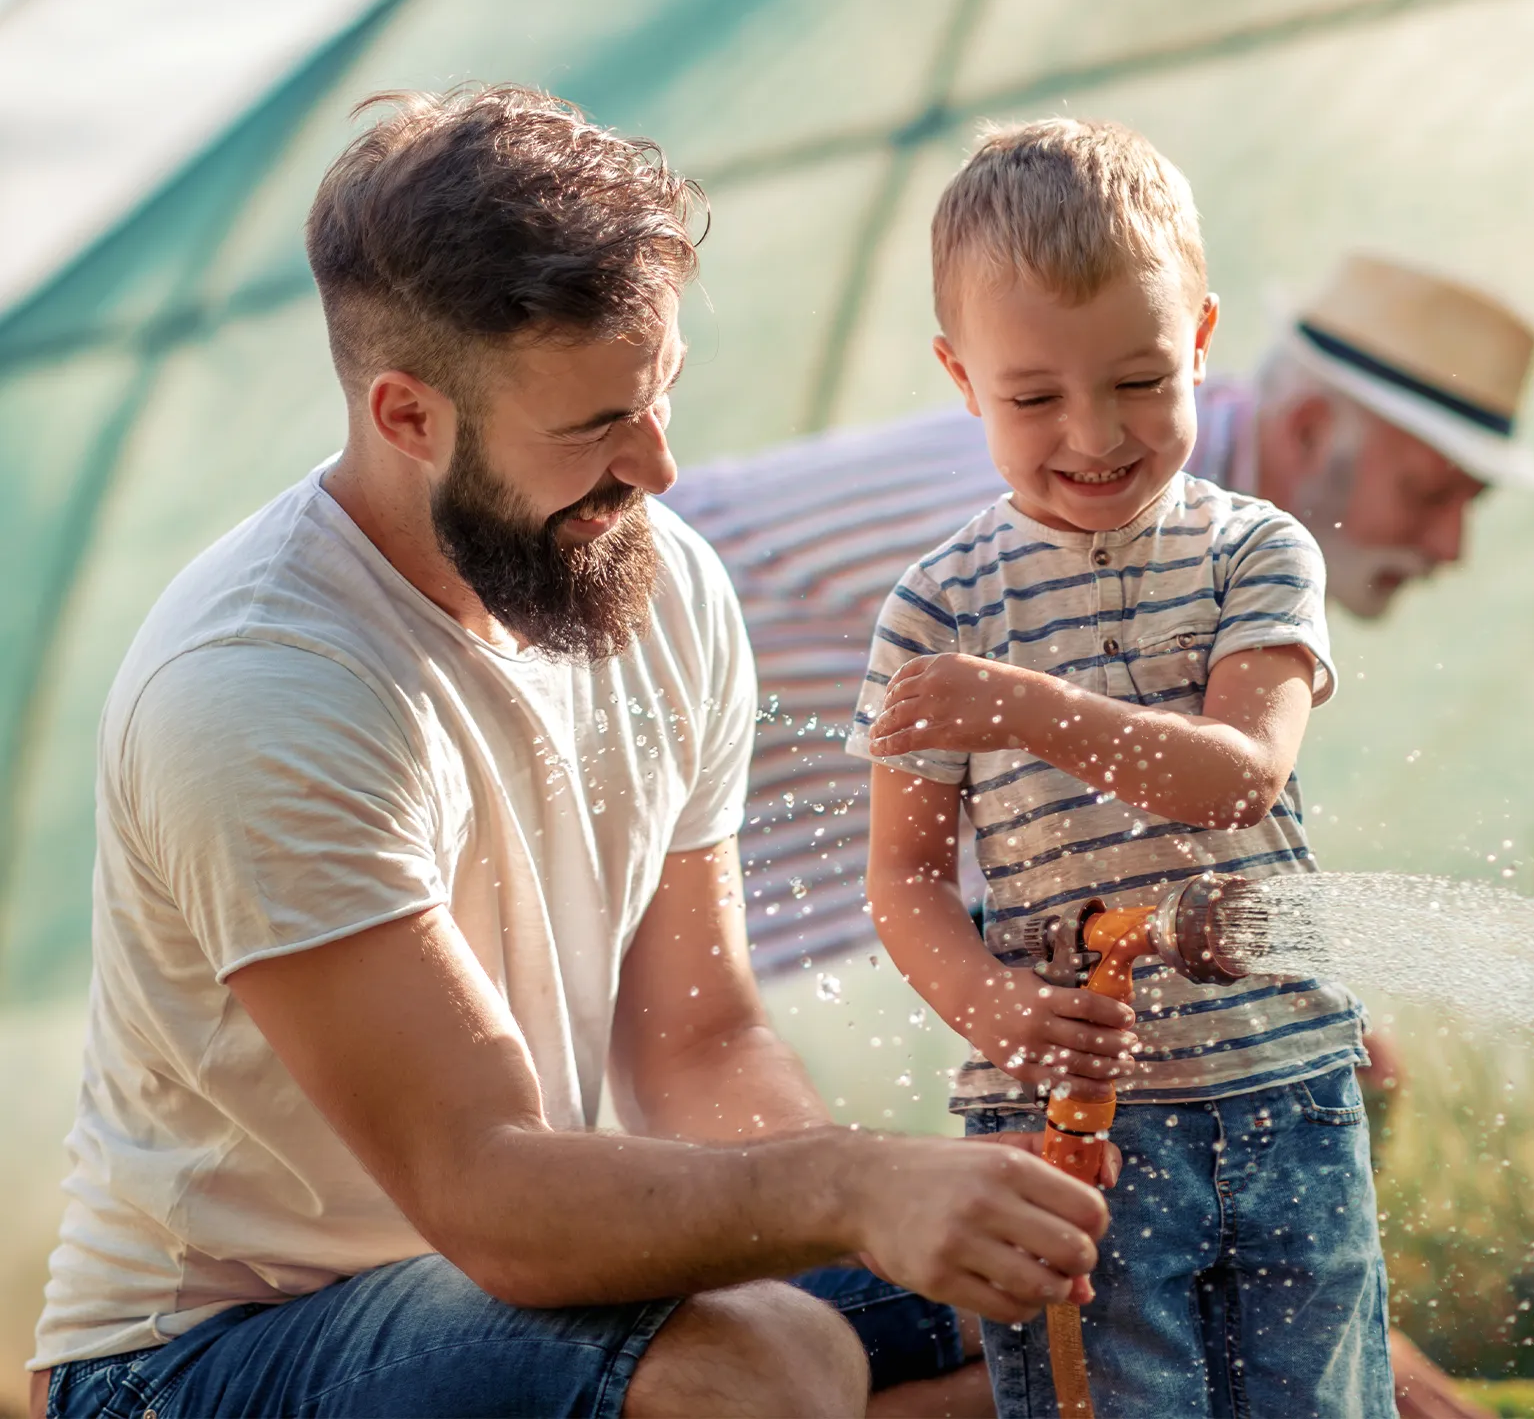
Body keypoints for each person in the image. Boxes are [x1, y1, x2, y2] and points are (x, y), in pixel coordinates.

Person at [27, 86, 1124, 1419]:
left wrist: (912, 1219)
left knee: (1075, 1285)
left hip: (509, 1278)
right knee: (761, 1369)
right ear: (408, 416)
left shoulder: (657, 586)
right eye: (595, 428)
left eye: (658, 396)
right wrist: (849, 1191)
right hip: (205, 1353)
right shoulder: (259, 687)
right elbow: (485, 1184)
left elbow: (698, 1044)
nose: (657, 467)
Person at [845, 116, 1390, 1416]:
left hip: (1280, 1096)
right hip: (1059, 1132)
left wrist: (1024, 708)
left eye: (1142, 379)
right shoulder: (936, 612)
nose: (1095, 432)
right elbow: (905, 881)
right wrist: (992, 1010)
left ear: (1199, 340)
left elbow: (1237, 776)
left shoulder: (1256, 555)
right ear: (962, 379)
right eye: (1034, 397)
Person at [670, 251, 1534, 972]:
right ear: (1310, 430)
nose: (1449, 547)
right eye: (1429, 492)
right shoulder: (1079, 508)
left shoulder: (1206, 555)